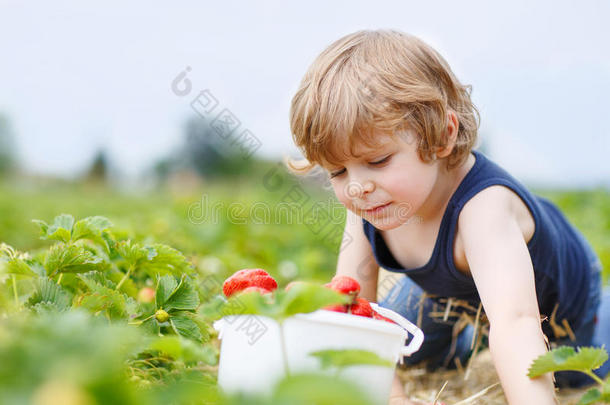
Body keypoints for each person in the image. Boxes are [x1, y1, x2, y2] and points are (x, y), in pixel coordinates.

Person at [285, 29, 609, 405]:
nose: (356, 187)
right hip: (448, 294)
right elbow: (355, 314)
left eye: (378, 161)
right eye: (337, 172)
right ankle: (468, 339)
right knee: (406, 345)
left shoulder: (483, 210)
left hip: (554, 307)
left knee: (567, 374)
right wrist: (391, 396)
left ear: (442, 135)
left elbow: (517, 323)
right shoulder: (370, 201)